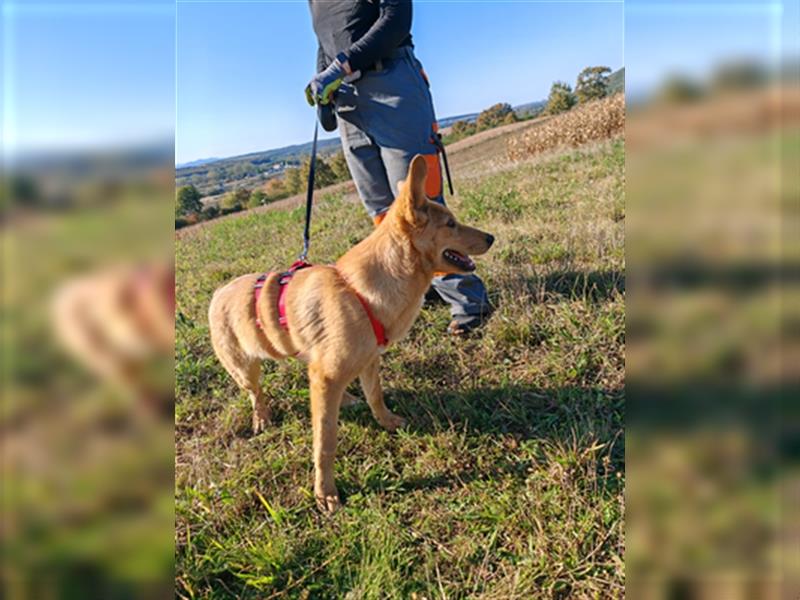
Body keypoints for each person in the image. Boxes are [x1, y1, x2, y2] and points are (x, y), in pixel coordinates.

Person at [305, 0, 492, 335]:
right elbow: (325, 41)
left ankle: (468, 302)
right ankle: (418, 283)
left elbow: (397, 19)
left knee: (419, 202)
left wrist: (342, 65)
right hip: (347, 98)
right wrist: (323, 82)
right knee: (381, 208)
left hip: (390, 82)